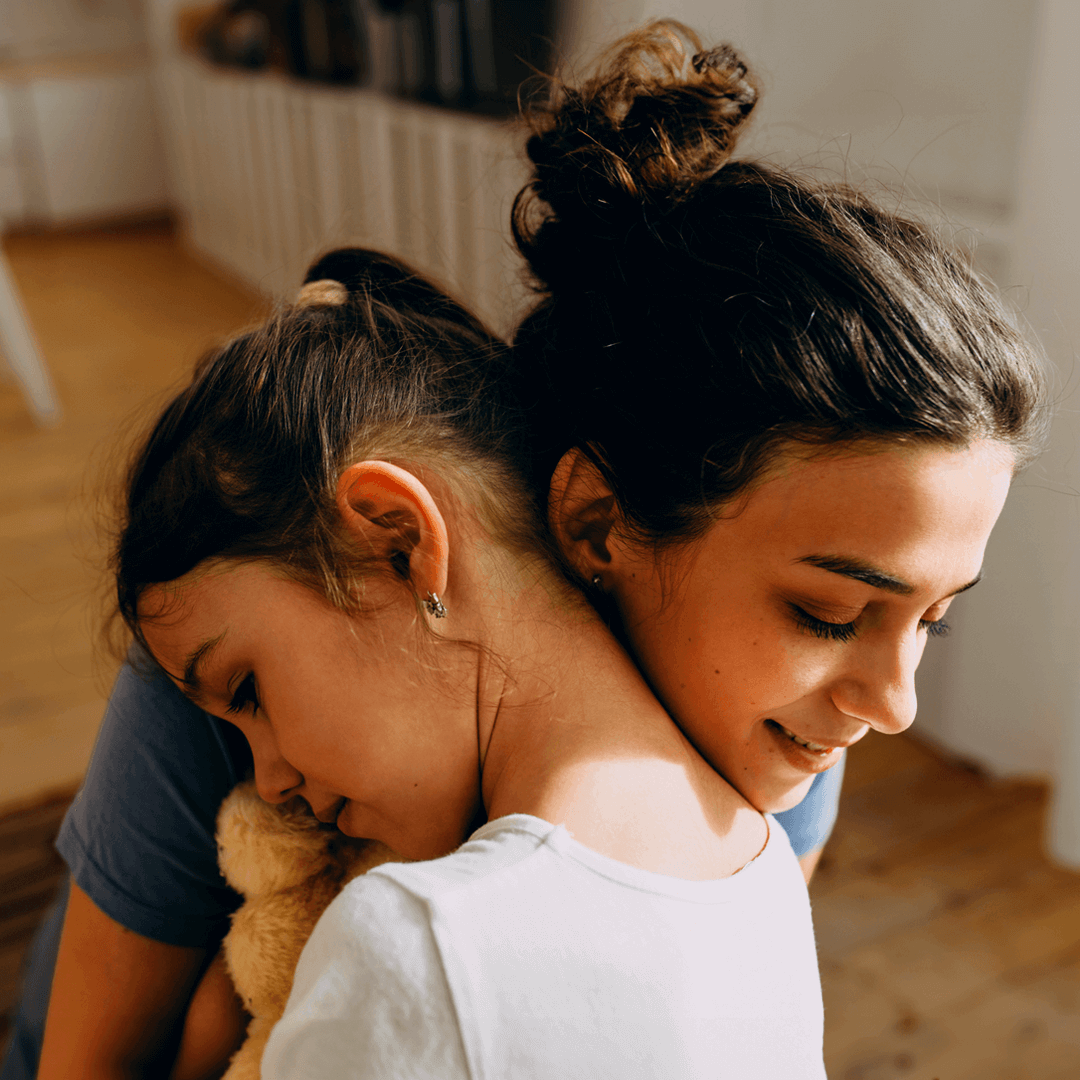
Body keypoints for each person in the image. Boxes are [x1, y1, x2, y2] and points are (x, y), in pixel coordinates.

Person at [3, 18, 1046, 1080]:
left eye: (935, 616)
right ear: (595, 522)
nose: (895, 703)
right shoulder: (249, 631)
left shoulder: (783, 754)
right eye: (828, 612)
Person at [120, 247, 828, 1078]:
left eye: (249, 692)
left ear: (400, 539)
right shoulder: (761, 859)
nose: (267, 780)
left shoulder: (414, 946)